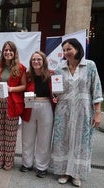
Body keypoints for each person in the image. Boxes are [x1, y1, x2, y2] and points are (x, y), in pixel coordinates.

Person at [51, 38, 103, 187]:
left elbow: (96, 88)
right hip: (64, 109)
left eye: (69, 49)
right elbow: (57, 92)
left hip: (83, 109)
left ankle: (77, 173)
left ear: (77, 49)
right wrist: (55, 94)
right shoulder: (60, 69)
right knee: (63, 139)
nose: (66, 52)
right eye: (64, 50)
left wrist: (97, 112)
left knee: (81, 140)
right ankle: (64, 171)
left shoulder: (90, 65)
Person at [0, 41, 26, 170]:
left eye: (10, 50)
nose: (7, 52)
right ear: (3, 52)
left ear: (14, 52)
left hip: (12, 102)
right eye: (5, 50)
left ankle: (8, 162)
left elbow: (23, 86)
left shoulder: (21, 67)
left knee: (11, 135)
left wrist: (11, 89)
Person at [20, 51, 54, 178]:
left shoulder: (51, 75)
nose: (36, 62)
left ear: (44, 61)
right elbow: (21, 89)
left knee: (44, 138)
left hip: (46, 106)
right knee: (27, 137)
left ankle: (42, 167)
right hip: (29, 106)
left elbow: (56, 92)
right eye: (34, 59)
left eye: (38, 59)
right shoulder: (27, 75)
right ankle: (26, 163)